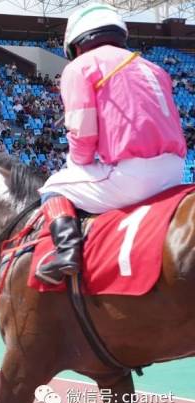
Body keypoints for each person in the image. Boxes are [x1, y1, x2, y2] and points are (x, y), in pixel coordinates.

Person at [35, 3, 187, 285]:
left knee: (53, 186)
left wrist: (79, 163)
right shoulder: (153, 67)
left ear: (77, 44)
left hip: (133, 174)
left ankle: (68, 252)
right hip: (175, 171)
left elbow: (82, 131)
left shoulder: (79, 67)